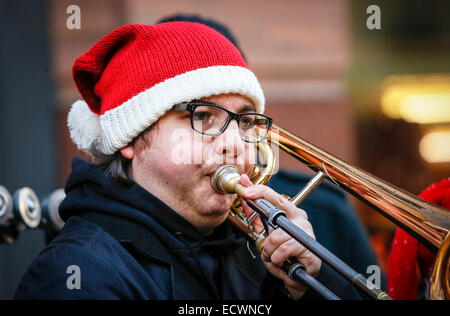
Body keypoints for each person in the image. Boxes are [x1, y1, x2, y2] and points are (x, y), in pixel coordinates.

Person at [14, 22, 363, 299]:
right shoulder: (76, 274)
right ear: (130, 140)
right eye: (203, 116)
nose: (234, 144)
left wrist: (309, 285)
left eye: (244, 120)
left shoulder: (252, 249)